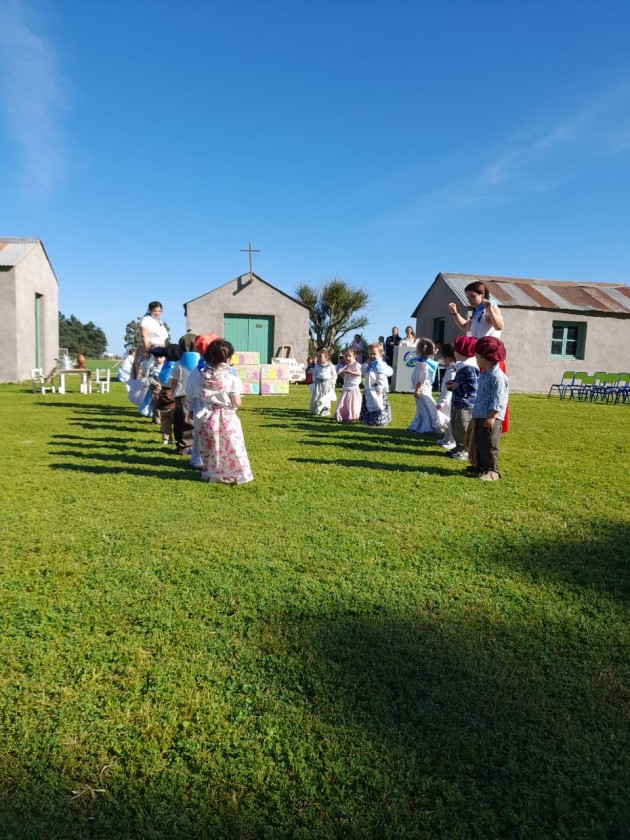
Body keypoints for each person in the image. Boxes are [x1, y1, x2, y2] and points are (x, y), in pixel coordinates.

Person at [197, 339, 253, 485]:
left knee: (212, 444)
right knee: (232, 444)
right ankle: (231, 472)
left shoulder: (202, 376)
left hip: (208, 415)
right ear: (228, 359)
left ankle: (211, 472)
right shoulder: (231, 379)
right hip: (226, 416)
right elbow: (236, 402)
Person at [470, 336, 509, 481]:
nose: (475, 358)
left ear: (484, 358)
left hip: (490, 417)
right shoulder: (485, 374)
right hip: (480, 415)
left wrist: (492, 416)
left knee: (489, 444)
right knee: (479, 442)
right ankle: (481, 466)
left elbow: (498, 399)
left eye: (477, 355)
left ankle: (492, 471)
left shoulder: (498, 377)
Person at [445, 336, 479, 461]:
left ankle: (465, 449)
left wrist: (458, 385)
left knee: (462, 427)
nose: (454, 352)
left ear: (463, 352)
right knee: (454, 425)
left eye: (456, 350)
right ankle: (458, 447)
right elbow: (460, 384)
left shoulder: (470, 369)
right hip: (456, 402)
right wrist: (452, 384)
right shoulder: (461, 367)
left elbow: (473, 387)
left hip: (465, 405)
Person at [170, 334, 200, 455]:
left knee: (179, 421)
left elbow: (173, 380)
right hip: (195, 396)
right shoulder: (200, 360)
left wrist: (173, 393)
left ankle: (181, 444)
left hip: (180, 396)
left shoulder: (179, 362)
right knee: (190, 422)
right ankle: (188, 445)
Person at [407, 338, 441, 433]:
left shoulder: (421, 365)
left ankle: (426, 426)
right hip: (426, 388)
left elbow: (420, 379)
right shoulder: (428, 363)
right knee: (425, 408)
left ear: (418, 351)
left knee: (424, 409)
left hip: (421, 390)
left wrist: (417, 389)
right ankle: (423, 424)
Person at [360, 342, 393, 427]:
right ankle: (369, 420)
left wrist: (379, 388)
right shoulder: (370, 364)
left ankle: (379, 420)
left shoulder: (379, 365)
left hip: (376, 389)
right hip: (369, 388)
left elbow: (381, 378)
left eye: (374, 354)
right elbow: (362, 370)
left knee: (378, 405)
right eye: (370, 354)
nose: (371, 356)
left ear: (380, 354)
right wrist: (366, 363)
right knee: (369, 405)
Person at [133, 301, 169, 379]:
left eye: (159, 311)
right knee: (148, 375)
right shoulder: (146, 320)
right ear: (150, 310)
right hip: (150, 350)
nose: (157, 313)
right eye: (155, 311)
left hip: (160, 351)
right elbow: (144, 336)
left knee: (157, 375)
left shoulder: (159, 322)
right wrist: (146, 350)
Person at [435, 343, 457, 449]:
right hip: (445, 396)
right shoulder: (451, 368)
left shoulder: (452, 370)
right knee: (447, 422)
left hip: (448, 399)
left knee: (449, 421)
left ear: (448, 357)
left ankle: (452, 440)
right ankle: (446, 437)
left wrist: (441, 403)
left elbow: (449, 389)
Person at [334, 348, 362, 421]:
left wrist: (350, 372)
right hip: (346, 386)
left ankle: (353, 415)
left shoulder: (356, 365)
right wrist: (342, 373)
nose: (347, 358)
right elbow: (343, 375)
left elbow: (359, 373)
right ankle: (343, 414)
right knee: (344, 402)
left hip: (353, 387)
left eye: (349, 356)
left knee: (353, 402)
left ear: (354, 357)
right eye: (346, 356)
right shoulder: (346, 366)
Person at [309, 348, 337, 416]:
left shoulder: (330, 366)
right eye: (318, 356)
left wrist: (332, 382)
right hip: (318, 383)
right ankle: (317, 408)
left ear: (326, 357)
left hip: (327, 384)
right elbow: (314, 374)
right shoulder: (317, 366)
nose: (318, 358)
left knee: (325, 397)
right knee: (317, 396)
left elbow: (334, 375)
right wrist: (315, 381)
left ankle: (326, 409)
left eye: (320, 356)